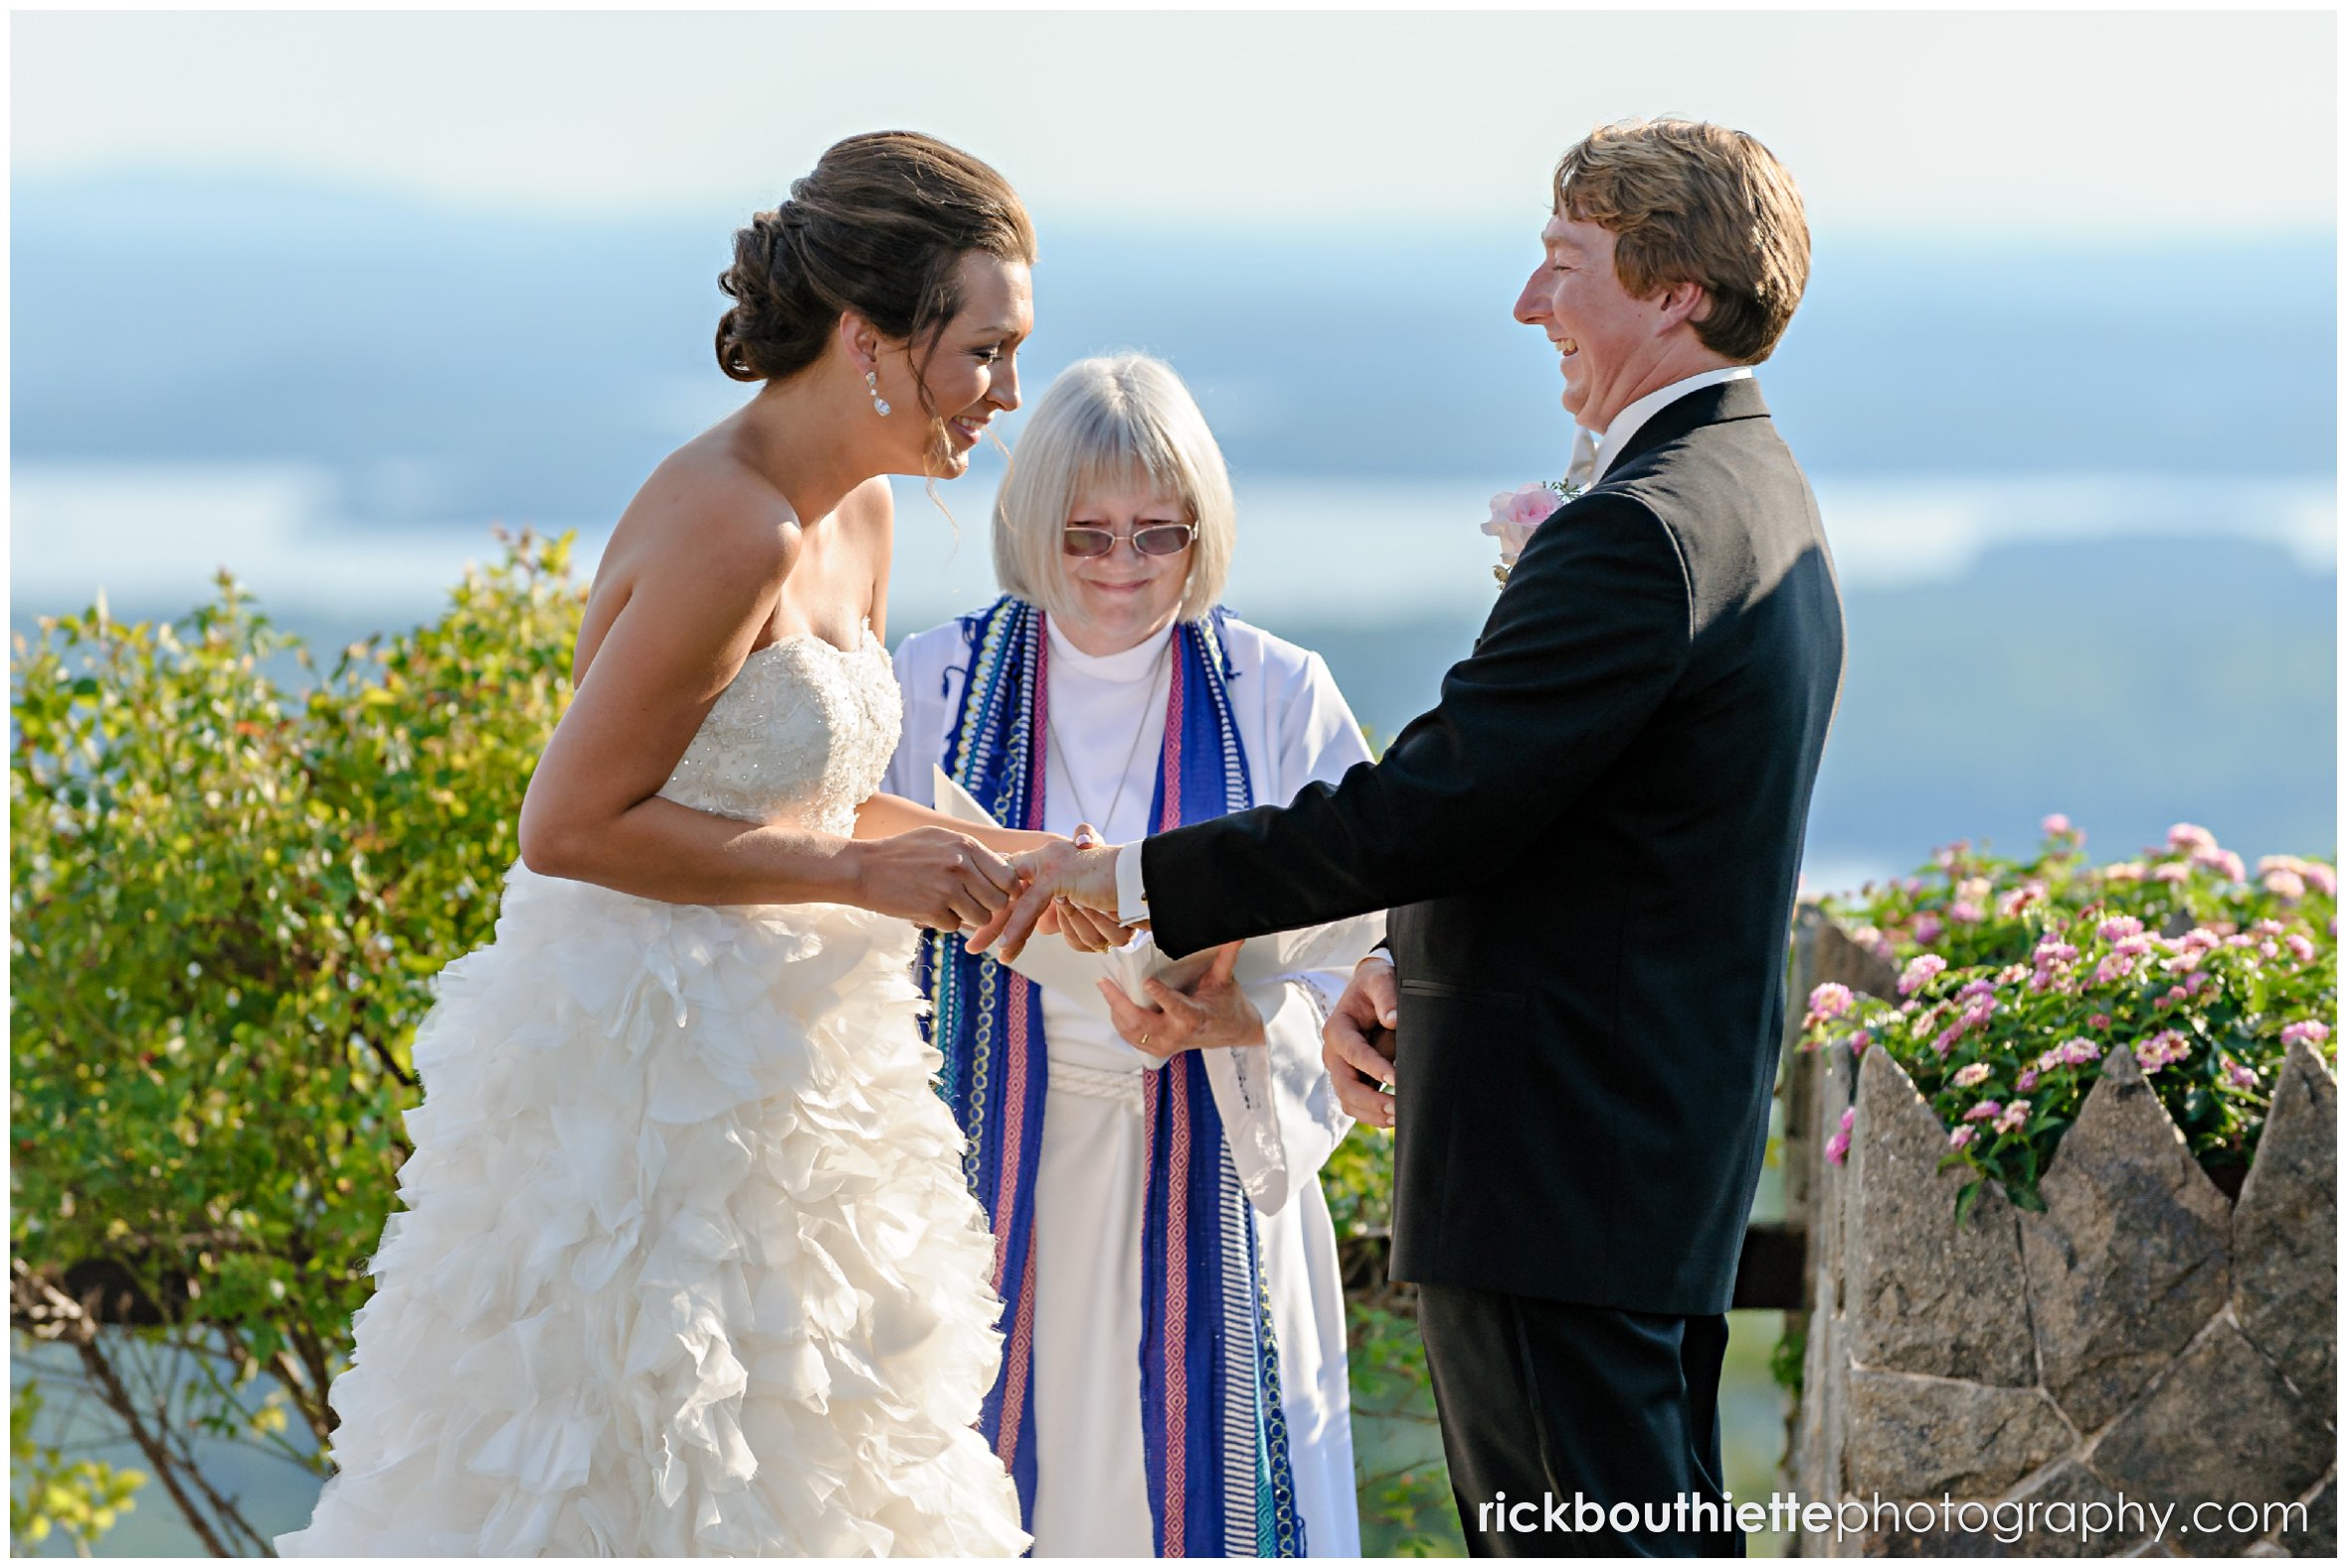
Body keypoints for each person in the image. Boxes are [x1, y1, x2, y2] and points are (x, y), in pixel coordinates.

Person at [975, 118, 1844, 1557]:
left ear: (1675, 286)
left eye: (1564, 263)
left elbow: (1436, 797)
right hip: (1638, 1157)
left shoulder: (1641, 528)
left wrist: (1135, 880)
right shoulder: (1759, 494)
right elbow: (1568, 825)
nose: (1530, 301)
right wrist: (1411, 967)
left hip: (1555, 1170)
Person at [277, 131, 1050, 1557]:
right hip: (645, 1080)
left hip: (805, 1069)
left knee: (813, 1461)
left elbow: (806, 794)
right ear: (872, 337)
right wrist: (859, 876)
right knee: (634, 1462)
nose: (1006, 395)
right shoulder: (732, 527)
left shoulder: (862, 510)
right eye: (986, 354)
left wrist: (1018, 857)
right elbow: (571, 825)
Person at [882, 353, 1372, 1557]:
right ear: (1030, 524)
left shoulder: (1273, 690)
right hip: (984, 1164)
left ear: (1201, 529)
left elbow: (1367, 957)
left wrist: (1236, 1018)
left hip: (1209, 1146)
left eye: (1157, 535)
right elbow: (855, 923)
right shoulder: (937, 681)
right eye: (1086, 534)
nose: (1120, 568)